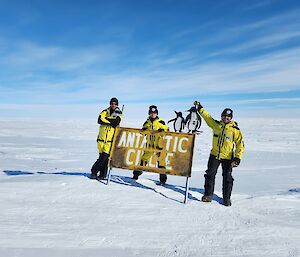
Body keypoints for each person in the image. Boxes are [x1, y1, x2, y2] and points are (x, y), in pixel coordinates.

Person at [194, 100, 244, 206]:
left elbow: (240, 144)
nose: (226, 118)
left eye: (228, 117)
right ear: (221, 116)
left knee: (227, 178)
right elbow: (207, 117)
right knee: (209, 175)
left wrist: (237, 158)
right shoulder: (216, 125)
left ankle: (226, 198)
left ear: (231, 118)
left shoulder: (235, 130)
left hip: (228, 157)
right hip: (215, 155)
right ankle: (208, 195)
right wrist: (199, 108)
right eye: (224, 116)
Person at [132, 105, 169, 185]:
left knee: (161, 162)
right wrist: (143, 131)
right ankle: (136, 174)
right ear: (149, 113)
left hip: (159, 145)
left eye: (154, 113)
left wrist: (163, 130)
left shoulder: (161, 122)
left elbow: (167, 130)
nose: (153, 114)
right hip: (149, 145)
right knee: (143, 159)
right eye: (151, 113)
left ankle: (162, 180)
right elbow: (143, 131)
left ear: (157, 113)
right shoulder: (147, 122)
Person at [91, 97, 122, 180]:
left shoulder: (118, 112)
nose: (113, 105)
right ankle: (102, 175)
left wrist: (106, 120)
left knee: (105, 158)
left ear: (117, 105)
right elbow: (99, 120)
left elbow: (116, 122)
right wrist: (110, 121)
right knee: (102, 157)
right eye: (112, 103)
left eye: (115, 104)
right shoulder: (104, 111)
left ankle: (94, 171)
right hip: (101, 139)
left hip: (109, 140)